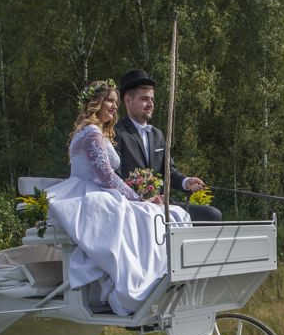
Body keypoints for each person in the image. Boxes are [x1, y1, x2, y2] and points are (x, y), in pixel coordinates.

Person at [44, 79, 190, 315]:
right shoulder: (91, 133)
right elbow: (106, 177)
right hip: (90, 193)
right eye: (109, 101)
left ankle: (161, 272)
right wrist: (139, 199)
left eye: (114, 101)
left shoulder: (96, 131)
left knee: (154, 215)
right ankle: (139, 281)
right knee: (142, 216)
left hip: (100, 191)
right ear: (96, 103)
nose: (114, 106)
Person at [113, 68, 223, 222]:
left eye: (152, 99)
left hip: (161, 205)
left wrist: (186, 182)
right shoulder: (116, 132)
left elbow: (168, 171)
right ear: (128, 101)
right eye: (144, 99)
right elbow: (114, 177)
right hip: (133, 208)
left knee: (212, 215)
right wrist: (141, 198)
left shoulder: (157, 134)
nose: (151, 104)